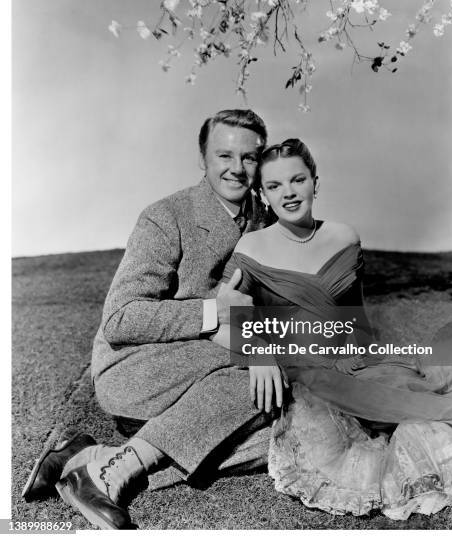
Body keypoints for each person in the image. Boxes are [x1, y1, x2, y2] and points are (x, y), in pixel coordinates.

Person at [22, 109, 278, 529]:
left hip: (209, 373)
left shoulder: (261, 221)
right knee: (258, 381)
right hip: (139, 367)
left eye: (249, 157)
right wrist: (218, 315)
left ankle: (96, 459)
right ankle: (113, 474)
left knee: (282, 434)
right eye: (224, 155)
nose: (237, 168)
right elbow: (121, 319)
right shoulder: (166, 217)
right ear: (203, 157)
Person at [213, 138, 452, 519]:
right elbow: (219, 319)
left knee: (441, 379)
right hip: (305, 375)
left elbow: (356, 319)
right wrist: (256, 351)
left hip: (355, 363)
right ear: (263, 195)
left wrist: (368, 357)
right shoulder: (251, 249)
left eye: (297, 180)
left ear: (316, 182)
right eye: (275, 186)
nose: (289, 193)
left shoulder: (346, 237)